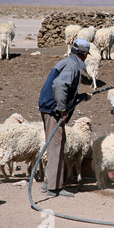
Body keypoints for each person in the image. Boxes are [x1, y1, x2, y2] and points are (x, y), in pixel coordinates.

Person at [38, 39, 92, 197]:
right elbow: (60, 86)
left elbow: (64, 88)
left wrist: (79, 97)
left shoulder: (68, 62)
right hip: (53, 109)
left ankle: (50, 181)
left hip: (49, 107)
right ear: (84, 54)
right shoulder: (72, 65)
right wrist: (62, 110)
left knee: (55, 145)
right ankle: (54, 188)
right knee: (56, 146)